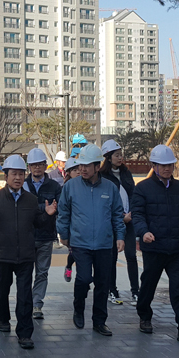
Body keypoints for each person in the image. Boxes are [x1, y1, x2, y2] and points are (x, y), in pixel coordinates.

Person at [0, 154, 56, 350]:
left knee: (24, 296)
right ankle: (3, 319)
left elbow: (38, 223)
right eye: (14, 174)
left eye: (21, 174)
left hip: (25, 256)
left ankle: (25, 333)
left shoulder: (31, 200)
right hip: (2, 254)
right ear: (6, 176)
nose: (18, 178)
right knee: (2, 290)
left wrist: (47, 215)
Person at [132, 145, 179, 345]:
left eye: (170, 165)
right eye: (162, 165)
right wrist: (143, 232)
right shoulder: (142, 188)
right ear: (154, 166)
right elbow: (137, 215)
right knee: (148, 285)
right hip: (154, 247)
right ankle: (145, 316)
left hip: (177, 250)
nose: (167, 169)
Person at [56, 144, 125, 337]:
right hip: (80, 243)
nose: (83, 169)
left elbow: (117, 215)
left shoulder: (110, 188)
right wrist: (64, 235)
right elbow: (63, 213)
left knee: (103, 283)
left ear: (97, 166)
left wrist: (120, 237)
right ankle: (78, 308)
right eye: (80, 166)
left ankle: (99, 321)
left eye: (87, 165)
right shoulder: (70, 187)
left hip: (104, 244)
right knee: (84, 278)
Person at [23, 148, 62, 320]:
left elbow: (59, 207)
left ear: (45, 166)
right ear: (29, 167)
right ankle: (26, 303)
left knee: (42, 272)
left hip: (46, 236)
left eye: (40, 164)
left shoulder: (54, 186)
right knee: (25, 272)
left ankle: (37, 304)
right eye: (33, 165)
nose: (37, 168)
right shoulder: (23, 185)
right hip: (27, 236)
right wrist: (44, 209)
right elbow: (23, 209)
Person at [99, 140, 138, 307]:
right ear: (108, 157)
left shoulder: (126, 173)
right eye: (116, 155)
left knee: (131, 255)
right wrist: (120, 217)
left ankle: (136, 290)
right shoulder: (102, 177)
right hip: (112, 223)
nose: (120, 158)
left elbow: (134, 194)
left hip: (130, 221)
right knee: (112, 256)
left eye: (121, 154)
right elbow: (104, 202)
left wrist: (131, 214)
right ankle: (112, 289)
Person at [62, 158, 80, 283]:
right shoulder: (66, 187)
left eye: (79, 169)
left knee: (81, 254)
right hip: (71, 228)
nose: (78, 172)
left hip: (82, 227)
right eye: (74, 170)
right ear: (68, 172)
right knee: (74, 252)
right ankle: (68, 267)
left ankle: (82, 276)